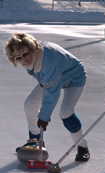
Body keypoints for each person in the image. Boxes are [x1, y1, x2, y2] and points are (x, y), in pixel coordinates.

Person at [4, 32, 90, 162]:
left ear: (31, 48)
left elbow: (52, 93)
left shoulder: (47, 60)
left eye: (25, 54)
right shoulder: (31, 59)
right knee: (30, 104)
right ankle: (35, 142)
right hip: (51, 76)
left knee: (66, 113)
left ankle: (83, 147)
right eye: (18, 58)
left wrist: (44, 117)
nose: (23, 59)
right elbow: (47, 80)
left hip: (74, 77)